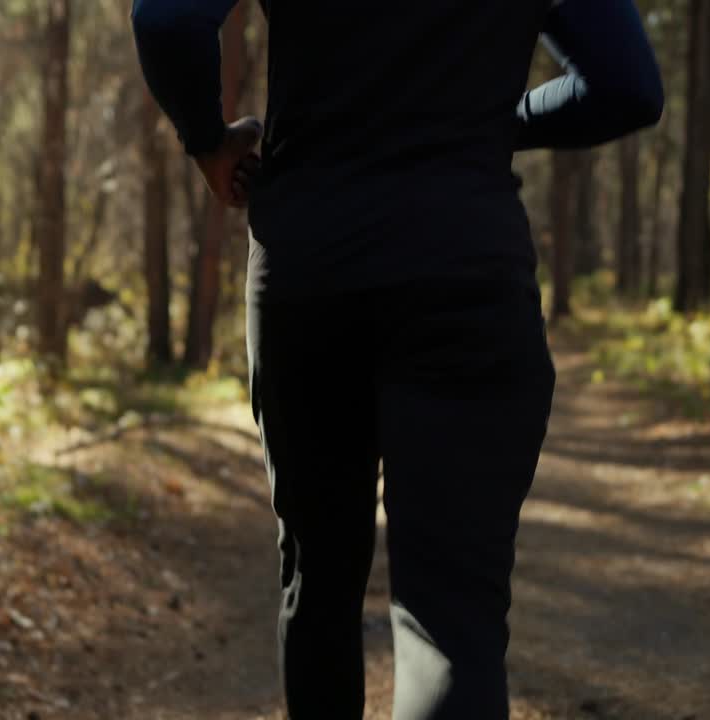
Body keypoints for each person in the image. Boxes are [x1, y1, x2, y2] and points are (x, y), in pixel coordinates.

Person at [131, 0, 663, 717]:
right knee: (449, 621)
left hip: (309, 270)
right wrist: (493, 121)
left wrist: (206, 141)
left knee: (317, 586)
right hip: (465, 269)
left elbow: (166, 20)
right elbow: (627, 86)